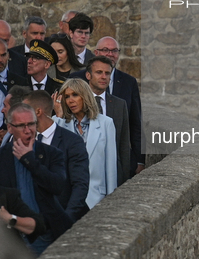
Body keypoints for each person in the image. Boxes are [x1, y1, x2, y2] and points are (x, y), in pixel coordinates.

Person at [0, 103, 73, 256]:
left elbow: (57, 186)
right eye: (21, 125)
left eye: (31, 124)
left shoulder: (51, 154)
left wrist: (29, 160)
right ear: (10, 128)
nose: (28, 130)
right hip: (12, 236)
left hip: (45, 234)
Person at [71, 36, 144, 176]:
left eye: (114, 50)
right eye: (105, 50)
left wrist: (139, 160)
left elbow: (135, 123)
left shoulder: (129, 82)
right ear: (96, 52)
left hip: (116, 160)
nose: (110, 54)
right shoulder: (75, 80)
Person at [24, 90, 90, 222]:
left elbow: (80, 185)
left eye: (25, 110)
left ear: (38, 112)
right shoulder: (24, 140)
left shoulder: (72, 142)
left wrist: (65, 219)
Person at [53, 78, 117, 209]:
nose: (71, 100)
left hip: (96, 199)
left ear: (85, 96)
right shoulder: (58, 122)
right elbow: (54, 154)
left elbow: (110, 167)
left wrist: (110, 203)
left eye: (75, 95)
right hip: (68, 200)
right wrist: (59, 117)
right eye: (67, 97)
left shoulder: (106, 123)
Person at [85, 56, 131, 186]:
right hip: (86, 173)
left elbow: (124, 144)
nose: (104, 77)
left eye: (107, 73)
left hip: (113, 173)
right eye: (99, 72)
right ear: (88, 75)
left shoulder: (120, 104)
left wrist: (124, 176)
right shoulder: (78, 103)